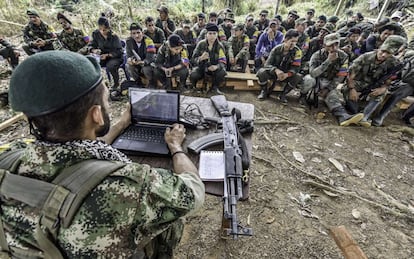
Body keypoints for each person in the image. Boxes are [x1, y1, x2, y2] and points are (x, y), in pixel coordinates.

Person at [2, 50, 204, 258]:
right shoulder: (126, 186)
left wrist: (121, 124)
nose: (108, 105)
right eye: (106, 100)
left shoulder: (10, 156)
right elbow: (194, 191)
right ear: (96, 115)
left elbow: (78, 150)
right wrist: (175, 146)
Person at [302, 33, 363, 126]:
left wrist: (328, 89)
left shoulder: (343, 56)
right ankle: (302, 97)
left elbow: (341, 76)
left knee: (333, 97)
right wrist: (328, 61)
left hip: (329, 82)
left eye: (336, 44)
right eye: (330, 45)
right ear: (324, 45)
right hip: (315, 79)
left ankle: (343, 117)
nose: (334, 48)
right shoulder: (317, 55)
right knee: (309, 79)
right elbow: (313, 73)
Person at [345, 35, 406, 127]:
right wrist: (351, 89)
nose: (384, 55)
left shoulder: (394, 63)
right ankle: (355, 113)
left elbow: (389, 80)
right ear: (379, 48)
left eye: (388, 53)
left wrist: (384, 88)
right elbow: (350, 76)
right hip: (358, 83)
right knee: (347, 93)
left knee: (382, 93)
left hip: (374, 86)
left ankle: (364, 117)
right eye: (383, 51)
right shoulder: (365, 57)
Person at [256, 29, 302, 103]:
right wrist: (276, 70)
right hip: (274, 73)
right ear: (286, 40)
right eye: (292, 41)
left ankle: (283, 94)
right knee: (261, 72)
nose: (294, 44)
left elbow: (296, 68)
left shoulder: (297, 52)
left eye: (296, 42)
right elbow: (267, 64)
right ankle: (264, 91)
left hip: (286, 74)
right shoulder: (276, 49)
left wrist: (287, 74)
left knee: (298, 76)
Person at [371, 49, 414, 126]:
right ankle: (381, 115)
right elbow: (402, 72)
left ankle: (407, 117)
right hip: (408, 82)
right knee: (399, 93)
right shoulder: (410, 55)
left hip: (409, 83)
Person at [88, 15, 123, 92]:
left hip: (114, 57)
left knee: (111, 65)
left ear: (109, 28)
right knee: (92, 63)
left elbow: (120, 51)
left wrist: (108, 55)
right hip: (101, 56)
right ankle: (99, 84)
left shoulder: (114, 36)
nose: (103, 31)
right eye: (101, 29)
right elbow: (90, 45)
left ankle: (116, 84)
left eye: (105, 29)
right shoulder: (96, 34)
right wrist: (94, 50)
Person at [190, 23, 227, 94]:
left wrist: (216, 66)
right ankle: (195, 88)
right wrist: (200, 58)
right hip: (202, 67)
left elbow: (223, 61)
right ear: (206, 34)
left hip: (214, 69)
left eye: (214, 33)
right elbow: (193, 59)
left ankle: (214, 88)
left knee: (222, 72)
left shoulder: (220, 46)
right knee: (193, 74)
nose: (212, 36)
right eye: (210, 33)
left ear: (217, 35)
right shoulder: (201, 44)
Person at [125, 22, 156, 87]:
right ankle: (138, 82)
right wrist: (131, 60)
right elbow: (129, 54)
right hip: (137, 63)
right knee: (129, 66)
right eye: (133, 33)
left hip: (147, 63)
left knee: (146, 69)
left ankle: (152, 83)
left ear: (142, 32)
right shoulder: (128, 41)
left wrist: (143, 62)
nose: (136, 36)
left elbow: (151, 57)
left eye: (138, 32)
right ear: (131, 34)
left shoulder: (148, 41)